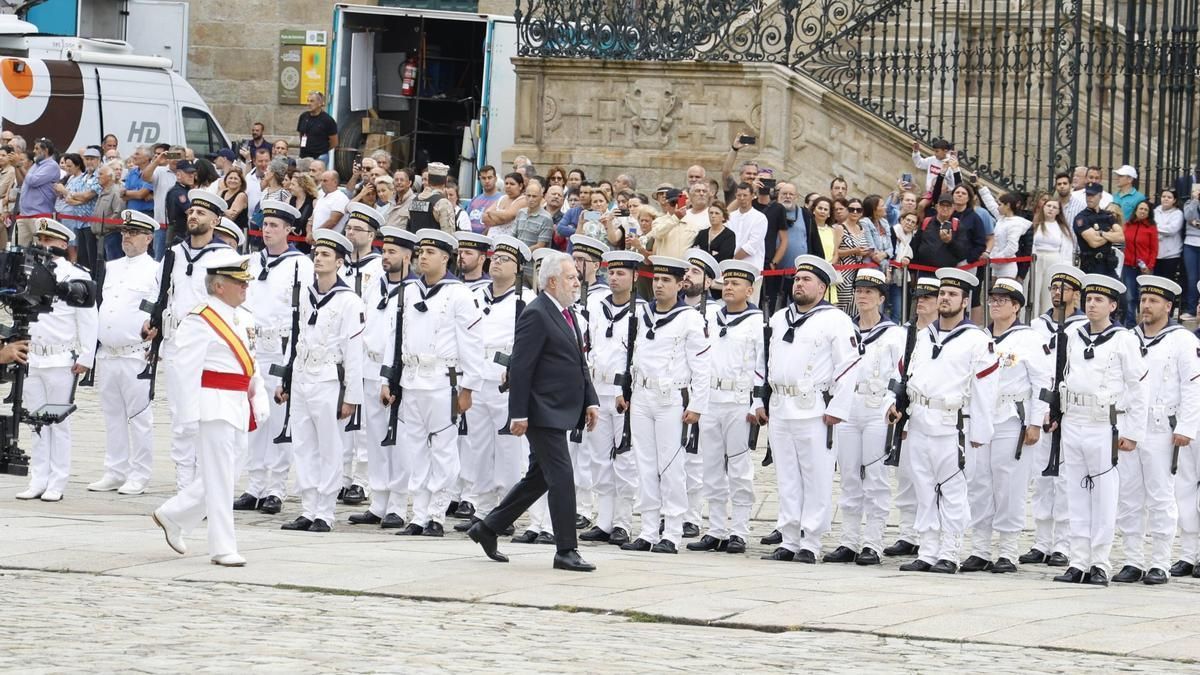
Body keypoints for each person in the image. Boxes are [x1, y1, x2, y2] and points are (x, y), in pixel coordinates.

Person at [467, 249, 600, 572]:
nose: (577, 282)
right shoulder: (537, 313)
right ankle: (566, 549)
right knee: (562, 477)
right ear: (552, 282)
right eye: (571, 278)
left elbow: (579, 362)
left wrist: (590, 400)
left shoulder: (567, 313)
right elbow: (522, 367)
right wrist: (518, 414)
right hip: (542, 411)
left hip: (561, 408)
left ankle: (488, 527)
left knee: (538, 478)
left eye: (577, 277)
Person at [151, 249, 268, 567]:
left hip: (238, 403)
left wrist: (258, 396)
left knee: (229, 474)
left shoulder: (244, 316)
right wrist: (187, 417)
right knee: (219, 478)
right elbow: (184, 371)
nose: (245, 287)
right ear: (219, 286)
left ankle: (174, 514)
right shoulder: (200, 319)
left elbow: (251, 362)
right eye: (239, 282)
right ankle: (222, 546)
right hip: (213, 403)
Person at [890, 267, 997, 574]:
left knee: (952, 490)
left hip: (954, 424)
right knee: (923, 488)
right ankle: (927, 550)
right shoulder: (922, 336)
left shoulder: (976, 339)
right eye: (942, 294)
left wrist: (981, 432)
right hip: (920, 420)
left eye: (952, 294)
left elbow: (986, 389)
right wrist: (894, 408)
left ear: (965, 301)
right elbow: (902, 375)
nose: (945, 298)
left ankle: (949, 552)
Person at [1051, 274, 1146, 587]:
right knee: (1075, 491)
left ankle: (1099, 563)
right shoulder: (1073, 334)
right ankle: (1078, 561)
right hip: (1074, 419)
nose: (1092, 305)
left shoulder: (1124, 339)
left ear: (1113, 306)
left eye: (1099, 300)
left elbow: (1138, 387)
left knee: (1104, 495)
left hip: (1103, 423)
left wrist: (1133, 431)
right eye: (1089, 299)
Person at [759, 255, 856, 563]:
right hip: (781, 405)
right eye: (797, 279)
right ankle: (789, 538)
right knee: (787, 476)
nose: (799, 284)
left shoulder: (835, 320)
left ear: (822, 287)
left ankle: (811, 541)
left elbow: (848, 365)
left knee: (816, 477)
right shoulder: (779, 318)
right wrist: (760, 400)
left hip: (814, 408)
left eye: (806, 280)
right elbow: (764, 361)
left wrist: (838, 407)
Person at [389, 229, 482, 536]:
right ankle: (418, 514)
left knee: (443, 449)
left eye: (430, 253)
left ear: (445, 258)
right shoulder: (409, 291)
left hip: (444, 381)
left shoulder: (459, 294)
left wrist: (469, 388)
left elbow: (472, 343)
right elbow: (397, 336)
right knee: (414, 449)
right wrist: (391, 379)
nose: (423, 257)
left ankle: (437, 514)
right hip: (412, 379)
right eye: (421, 252)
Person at [619, 255, 711, 554]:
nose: (659, 285)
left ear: (680, 284)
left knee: (671, 465)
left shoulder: (690, 318)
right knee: (644, 464)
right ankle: (648, 529)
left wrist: (697, 404)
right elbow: (631, 354)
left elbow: (702, 365)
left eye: (666, 280)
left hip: (671, 397)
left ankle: (672, 530)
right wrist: (625, 390)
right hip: (642, 395)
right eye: (656, 279)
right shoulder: (642, 312)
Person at [959, 278, 1049, 574]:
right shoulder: (979, 337)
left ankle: (1008, 550)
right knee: (979, 483)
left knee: (1009, 485)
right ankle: (981, 549)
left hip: (1012, 418)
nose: (995, 304)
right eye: (993, 299)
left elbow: (1042, 382)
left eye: (1003, 300)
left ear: (1016, 306)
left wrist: (1035, 422)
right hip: (980, 417)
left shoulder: (1028, 339)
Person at [277, 230, 364, 533]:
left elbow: (354, 352)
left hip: (328, 378)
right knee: (303, 445)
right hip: (302, 374)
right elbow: (295, 336)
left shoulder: (349, 300)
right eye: (317, 253)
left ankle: (325, 512)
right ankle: (308, 508)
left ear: (340, 262)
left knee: (329, 446)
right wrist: (285, 378)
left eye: (326, 255)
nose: (319, 259)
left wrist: (352, 396)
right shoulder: (305, 293)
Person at [1113, 276, 1198, 585]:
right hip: (1129, 425)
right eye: (1144, 300)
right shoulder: (1127, 338)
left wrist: (1187, 426)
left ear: (1168, 306)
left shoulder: (1182, 340)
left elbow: (1192, 386)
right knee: (1129, 496)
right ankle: (1132, 560)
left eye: (1153, 301)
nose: (1146, 306)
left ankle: (1160, 562)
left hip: (1163, 427)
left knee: (1161, 496)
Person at [236, 201, 314, 516]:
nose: (267, 231)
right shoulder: (251, 262)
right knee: (254, 418)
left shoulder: (300, 265)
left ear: (288, 230)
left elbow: (304, 311)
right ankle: (254, 485)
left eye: (274, 226)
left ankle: (276, 488)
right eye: (265, 225)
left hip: (282, 347)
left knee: (280, 421)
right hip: (254, 346)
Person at [151, 189, 231, 490]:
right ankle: (184, 486)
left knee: (206, 419)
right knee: (180, 417)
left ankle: (204, 487)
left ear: (216, 220)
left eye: (201, 212)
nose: (194, 216)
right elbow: (160, 294)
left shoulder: (226, 257)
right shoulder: (174, 253)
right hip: (177, 344)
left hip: (210, 347)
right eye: (192, 211)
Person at [823, 267, 904, 566]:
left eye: (869, 292)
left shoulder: (894, 334)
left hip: (876, 407)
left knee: (875, 476)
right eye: (858, 291)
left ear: (881, 298)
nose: (862, 296)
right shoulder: (845, 329)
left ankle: (872, 542)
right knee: (848, 476)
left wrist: (893, 402)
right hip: (848, 406)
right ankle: (848, 540)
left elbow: (900, 374)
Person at [451, 235, 531, 534]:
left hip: (504, 380)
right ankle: (483, 508)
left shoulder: (525, 300)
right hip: (476, 376)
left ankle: (505, 512)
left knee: (508, 449)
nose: (497, 263)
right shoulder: (476, 294)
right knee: (478, 446)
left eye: (504, 260)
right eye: (495, 258)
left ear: (518, 268)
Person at [14, 219, 97, 502]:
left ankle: (57, 481)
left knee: (58, 423)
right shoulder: (27, 270)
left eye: (49, 240)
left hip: (61, 358)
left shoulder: (76, 275)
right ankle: (38, 478)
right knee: (35, 422)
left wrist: (86, 355)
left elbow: (88, 318)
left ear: (63, 244)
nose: (43, 245)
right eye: (40, 239)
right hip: (32, 356)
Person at [687, 259, 764, 555]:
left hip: (738, 400)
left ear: (749, 290)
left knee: (740, 469)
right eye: (727, 282)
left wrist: (757, 402)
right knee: (711, 467)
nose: (729, 288)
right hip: (710, 399)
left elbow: (761, 365)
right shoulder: (709, 316)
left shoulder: (757, 322)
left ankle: (739, 531)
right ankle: (716, 529)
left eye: (736, 284)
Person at [348, 225, 420, 529]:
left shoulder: (414, 290)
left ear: (407, 256)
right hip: (369, 367)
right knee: (375, 438)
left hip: (395, 373)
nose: (385, 257)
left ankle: (398, 504)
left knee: (398, 441)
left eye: (392, 252)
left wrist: (392, 377)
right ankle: (378, 501)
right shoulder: (375, 285)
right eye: (384, 251)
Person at [87, 211, 159, 496]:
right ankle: (115, 470)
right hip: (108, 352)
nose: (127, 237)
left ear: (148, 238)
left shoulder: (155, 270)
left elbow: (156, 311)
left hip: (135, 353)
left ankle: (140, 474)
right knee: (112, 415)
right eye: (125, 232)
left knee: (139, 417)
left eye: (134, 233)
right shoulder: (112, 267)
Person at [1020, 264, 1087, 568]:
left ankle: (1063, 543)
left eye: (1064, 288)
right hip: (1042, 406)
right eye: (1054, 288)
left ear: (1076, 294)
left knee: (1064, 480)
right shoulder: (1037, 326)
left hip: (1068, 410)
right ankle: (1041, 541)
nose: (1058, 293)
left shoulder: (1082, 328)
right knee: (1042, 478)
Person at [578, 249, 645, 546]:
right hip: (597, 387)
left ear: (635, 277)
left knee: (625, 460)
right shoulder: (596, 305)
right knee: (599, 458)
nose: (615, 278)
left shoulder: (641, 311)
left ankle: (622, 522)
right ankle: (604, 520)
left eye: (621, 273)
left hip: (622, 393)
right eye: (612, 273)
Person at [881, 275, 942, 557]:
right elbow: (894, 373)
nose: (921, 303)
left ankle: (932, 535)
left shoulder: (944, 335)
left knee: (932, 478)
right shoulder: (904, 333)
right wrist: (891, 403)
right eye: (918, 298)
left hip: (935, 412)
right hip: (907, 410)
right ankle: (908, 533)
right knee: (906, 475)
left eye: (927, 298)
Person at [1030, 198, 1075, 316]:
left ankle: (1048, 316)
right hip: (1036, 259)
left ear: (1059, 211)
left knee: (1049, 291)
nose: (1051, 209)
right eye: (1048, 206)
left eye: (1054, 207)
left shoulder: (1062, 228)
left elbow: (1067, 251)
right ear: (1043, 207)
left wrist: (1065, 269)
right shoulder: (1035, 225)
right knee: (1033, 291)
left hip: (1054, 260)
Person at [17, 137, 61, 248]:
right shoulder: (36, 165)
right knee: (18, 250)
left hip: (41, 215)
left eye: (37, 148)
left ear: (45, 150)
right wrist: (17, 167)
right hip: (24, 215)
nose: (34, 151)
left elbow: (33, 181)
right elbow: (23, 182)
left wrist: (20, 166)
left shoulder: (52, 165)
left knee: (41, 249)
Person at [1121, 200, 1157, 326]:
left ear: (1149, 213)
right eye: (1141, 208)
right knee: (1130, 297)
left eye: (1146, 210)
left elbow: (1154, 249)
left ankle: (1143, 324)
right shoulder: (1128, 225)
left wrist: (1150, 266)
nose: (1143, 211)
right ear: (1136, 210)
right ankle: (1130, 324)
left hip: (1144, 268)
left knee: (1143, 296)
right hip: (1128, 265)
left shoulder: (1151, 228)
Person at [409, 162, 457, 233]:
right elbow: (449, 234)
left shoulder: (414, 200)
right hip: (434, 240)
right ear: (446, 181)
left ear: (429, 180)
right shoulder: (443, 203)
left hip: (415, 239)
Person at [1154, 190, 1184, 296]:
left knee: (1167, 285)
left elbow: (1172, 230)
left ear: (1174, 200)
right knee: (1156, 284)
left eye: (1169, 197)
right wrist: (1161, 229)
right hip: (1156, 254)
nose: (1166, 199)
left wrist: (1156, 228)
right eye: (1164, 196)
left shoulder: (1178, 213)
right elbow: (1149, 227)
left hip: (1171, 255)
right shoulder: (1155, 211)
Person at [296, 91, 338, 162]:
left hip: (319, 157)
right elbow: (301, 134)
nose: (309, 104)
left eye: (312, 101)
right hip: (303, 156)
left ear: (320, 103)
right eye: (308, 101)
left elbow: (334, 142)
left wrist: (322, 150)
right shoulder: (303, 116)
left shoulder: (327, 120)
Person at [468, 165, 503, 233]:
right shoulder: (475, 199)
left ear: (495, 179)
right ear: (480, 179)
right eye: (484, 178)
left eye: (489, 178)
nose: (487, 181)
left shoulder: (502, 199)